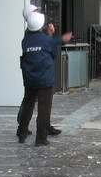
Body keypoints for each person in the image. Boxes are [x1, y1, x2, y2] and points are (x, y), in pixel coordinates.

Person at [17, 11, 71, 146]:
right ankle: (41, 138)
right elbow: (53, 53)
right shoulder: (47, 39)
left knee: (28, 106)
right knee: (44, 109)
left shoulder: (25, 40)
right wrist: (53, 35)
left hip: (29, 78)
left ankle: (22, 133)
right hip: (45, 79)